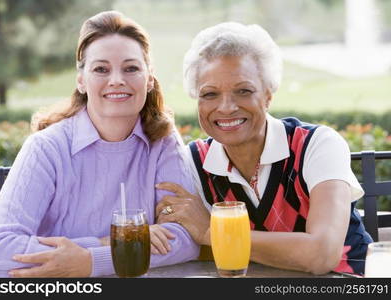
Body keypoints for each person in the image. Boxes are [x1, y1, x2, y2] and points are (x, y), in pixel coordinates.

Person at [0, 10, 199, 278]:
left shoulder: (162, 142)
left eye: (131, 68)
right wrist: (105, 247)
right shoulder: (46, 148)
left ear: (149, 78)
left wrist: (88, 261)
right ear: (81, 81)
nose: (117, 79)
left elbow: (185, 239)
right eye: (101, 69)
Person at [156, 22, 372, 276]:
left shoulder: (318, 145)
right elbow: (182, 243)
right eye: (210, 94)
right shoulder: (192, 162)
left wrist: (212, 231)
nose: (226, 107)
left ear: (268, 95)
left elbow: (321, 253)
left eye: (243, 91)